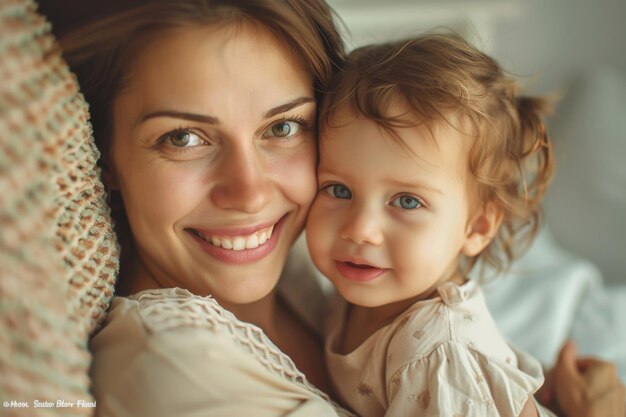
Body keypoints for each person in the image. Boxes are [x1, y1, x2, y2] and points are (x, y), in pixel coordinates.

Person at [53, 1, 625, 416]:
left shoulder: (301, 265)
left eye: (283, 126)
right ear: (102, 154)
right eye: (182, 138)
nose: (250, 193)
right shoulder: (170, 370)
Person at [305, 33, 624, 417]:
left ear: (476, 227)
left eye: (407, 201)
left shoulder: (438, 354)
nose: (359, 229)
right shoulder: (358, 290)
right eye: (338, 189)